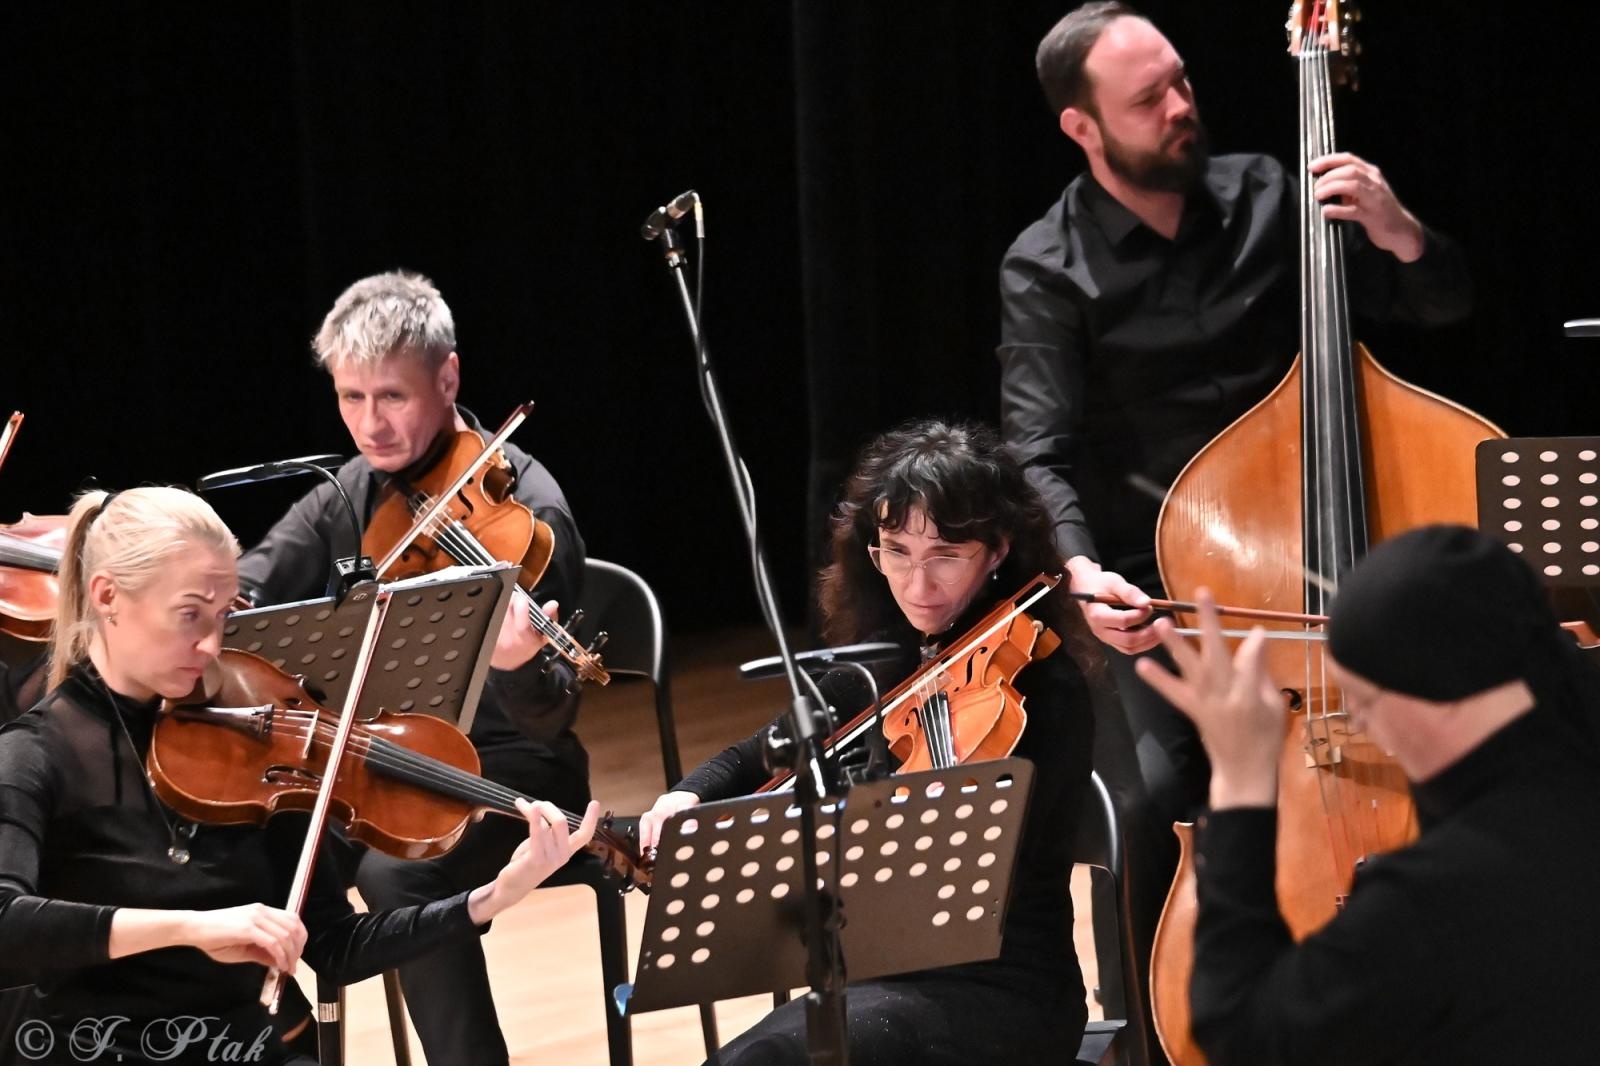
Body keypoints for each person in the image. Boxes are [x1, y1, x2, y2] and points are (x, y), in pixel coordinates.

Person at [997, 6, 1473, 1056]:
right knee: (1159, 792)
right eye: (1146, 99)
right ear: (1082, 128)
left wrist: (1399, 233)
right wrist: (1076, 568)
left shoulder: (1279, 192)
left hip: (1350, 569)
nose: (1179, 108)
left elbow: (1440, 304)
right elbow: (1036, 450)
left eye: (1180, 82)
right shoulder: (1045, 265)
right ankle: (1154, 1038)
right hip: (1172, 595)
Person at [0, 487, 599, 1066]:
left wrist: (492, 896)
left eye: (223, 613)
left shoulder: (257, 741)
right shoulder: (34, 754)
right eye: (189, 615)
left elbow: (335, 945)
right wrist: (190, 929)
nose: (212, 644)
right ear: (107, 596)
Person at [640, 419, 1099, 1064]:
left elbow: (987, 871)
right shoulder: (883, 666)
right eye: (897, 552)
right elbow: (760, 751)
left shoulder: (1042, 684)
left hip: (1004, 988)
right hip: (880, 982)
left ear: (997, 550)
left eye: (945, 555)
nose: (918, 585)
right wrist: (688, 799)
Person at [235, 270, 590, 1065]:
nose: (371, 424)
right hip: (380, 761)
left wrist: (520, 667)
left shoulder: (527, 512)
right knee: (236, 841)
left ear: (449, 377)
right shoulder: (352, 488)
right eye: (350, 398)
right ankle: (279, 1047)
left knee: (399, 879)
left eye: (391, 396)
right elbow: (254, 580)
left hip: (506, 770)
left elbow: (552, 718)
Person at [1135, 524, 1600, 1063]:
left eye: (1361, 700)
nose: (1354, 721)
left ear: (1439, 694)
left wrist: (1241, 777)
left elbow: (1243, 1035)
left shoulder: (1438, 900)